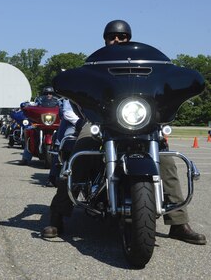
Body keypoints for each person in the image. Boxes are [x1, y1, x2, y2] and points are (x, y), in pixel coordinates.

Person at [42, 19, 206, 245]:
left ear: (129, 38)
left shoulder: (144, 66)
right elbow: (81, 89)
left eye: (122, 37)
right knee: (81, 150)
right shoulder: (96, 65)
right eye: (112, 36)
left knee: (166, 159)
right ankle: (58, 215)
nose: (117, 40)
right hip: (102, 121)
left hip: (139, 120)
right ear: (105, 39)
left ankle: (179, 223)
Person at [46, 98, 81, 187]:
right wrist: (81, 123)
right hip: (73, 124)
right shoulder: (70, 96)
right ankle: (53, 176)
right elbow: (68, 113)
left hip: (93, 125)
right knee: (66, 141)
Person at [18, 87, 58, 165]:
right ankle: (26, 158)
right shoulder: (39, 102)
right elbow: (31, 105)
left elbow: (64, 109)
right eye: (46, 94)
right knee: (29, 131)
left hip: (54, 124)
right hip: (40, 123)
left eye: (50, 93)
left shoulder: (58, 102)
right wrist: (27, 106)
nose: (48, 95)